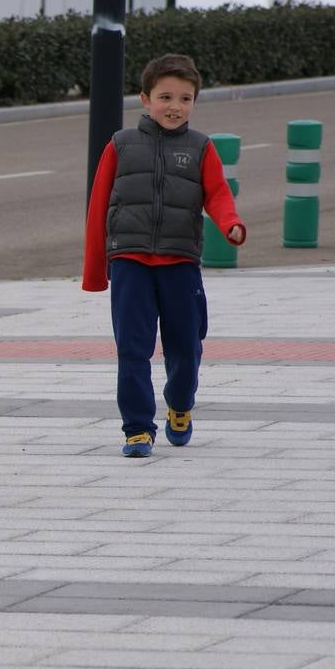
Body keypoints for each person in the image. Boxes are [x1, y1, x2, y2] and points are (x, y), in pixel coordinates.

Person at [82, 53, 246, 458]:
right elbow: (98, 206)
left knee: (186, 346)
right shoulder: (120, 145)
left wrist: (230, 224)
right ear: (144, 98)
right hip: (130, 262)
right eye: (165, 97)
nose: (175, 106)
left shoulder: (201, 147)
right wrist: (94, 271)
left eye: (185, 98)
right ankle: (137, 428)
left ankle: (180, 404)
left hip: (180, 263)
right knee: (132, 348)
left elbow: (218, 195)